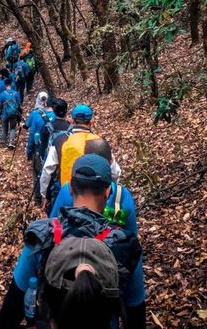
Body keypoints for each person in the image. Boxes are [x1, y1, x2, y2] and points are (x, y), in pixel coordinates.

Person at [0, 154, 142, 329]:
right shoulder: (124, 244)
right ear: (108, 192)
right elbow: (135, 310)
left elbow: (14, 302)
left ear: (70, 187)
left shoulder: (43, 235)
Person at [50, 139, 146, 325]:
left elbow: (54, 228)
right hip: (107, 296)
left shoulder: (65, 193)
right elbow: (132, 247)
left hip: (64, 292)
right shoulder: (123, 198)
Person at [39, 104, 121, 209]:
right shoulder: (100, 143)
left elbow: (47, 171)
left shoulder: (60, 141)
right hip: (97, 200)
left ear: (72, 121)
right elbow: (115, 173)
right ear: (92, 121)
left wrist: (44, 195)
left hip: (67, 197)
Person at [25, 92, 55, 205]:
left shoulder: (36, 114)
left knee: (37, 174)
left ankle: (38, 200)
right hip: (54, 151)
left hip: (39, 150)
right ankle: (50, 199)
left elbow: (32, 135)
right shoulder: (57, 116)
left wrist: (29, 152)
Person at [0, 78, 21, 148]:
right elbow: (19, 104)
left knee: (4, 129)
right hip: (13, 114)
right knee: (12, 128)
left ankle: (4, 144)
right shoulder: (16, 93)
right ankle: (11, 142)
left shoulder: (2, 94)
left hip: (4, 114)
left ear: (5, 85)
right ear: (11, 84)